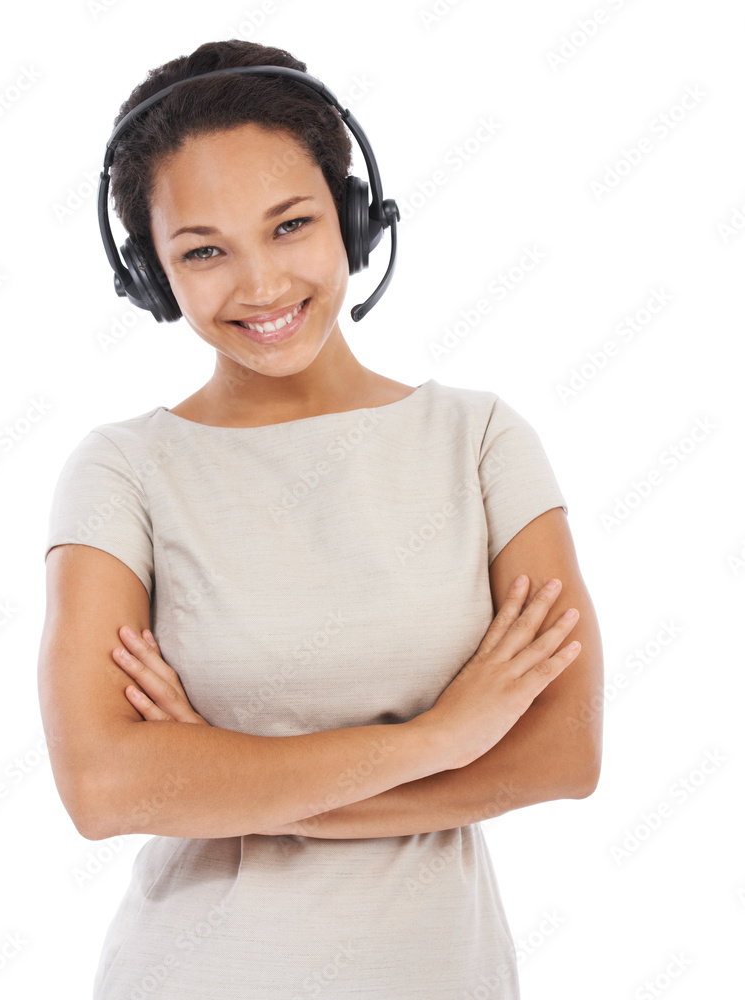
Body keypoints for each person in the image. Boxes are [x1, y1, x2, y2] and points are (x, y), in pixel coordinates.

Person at [37, 38, 603, 1000]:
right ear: (151, 278)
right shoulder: (124, 469)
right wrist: (444, 735)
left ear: (352, 219)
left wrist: (243, 784)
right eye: (204, 251)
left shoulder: (479, 440)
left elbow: (563, 752)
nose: (259, 286)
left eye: (291, 225)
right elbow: (102, 787)